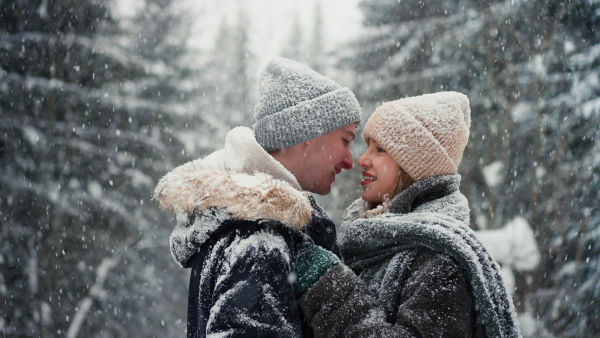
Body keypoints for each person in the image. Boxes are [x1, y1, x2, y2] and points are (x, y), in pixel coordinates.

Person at [153, 57, 361, 337]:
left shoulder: (248, 226)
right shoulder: (258, 238)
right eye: (346, 140)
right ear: (308, 134)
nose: (350, 161)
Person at [293, 92, 522, 337]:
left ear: (415, 166)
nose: (362, 159)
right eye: (367, 146)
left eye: (380, 149)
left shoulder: (441, 262)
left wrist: (331, 290)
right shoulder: (372, 242)